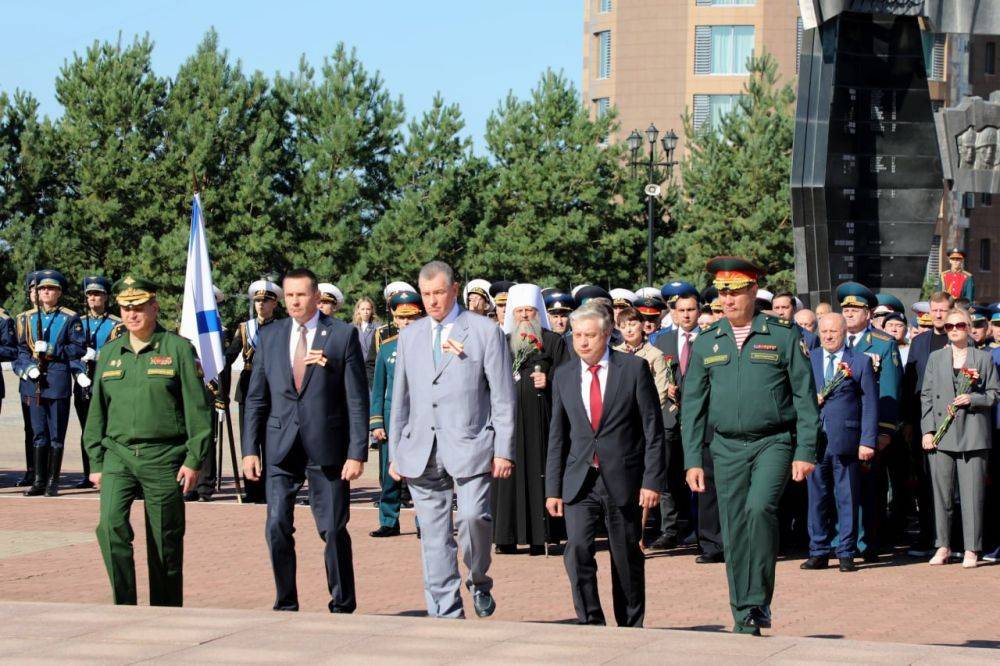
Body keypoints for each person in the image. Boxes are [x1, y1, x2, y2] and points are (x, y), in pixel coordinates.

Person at [682, 256, 819, 635]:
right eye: (722, 293)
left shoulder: (782, 335)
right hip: (724, 447)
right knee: (734, 528)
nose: (727, 300)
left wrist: (806, 450)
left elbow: (805, 399)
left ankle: (758, 599)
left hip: (772, 442)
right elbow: (693, 405)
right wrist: (692, 458)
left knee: (759, 510)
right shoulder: (708, 340)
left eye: (736, 292)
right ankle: (743, 614)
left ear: (753, 292)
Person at [388, 261, 515, 619]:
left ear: (454, 290)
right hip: (421, 450)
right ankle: (446, 615)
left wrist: (504, 450)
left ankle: (478, 578)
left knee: (474, 518)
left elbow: (503, 396)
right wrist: (395, 452)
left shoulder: (483, 331)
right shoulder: (411, 336)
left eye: (439, 293)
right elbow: (401, 399)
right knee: (433, 537)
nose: (432, 301)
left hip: (470, 445)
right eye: (426, 294)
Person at [242, 268, 369, 613]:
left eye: (301, 295)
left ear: (315, 296)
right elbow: (256, 398)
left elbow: (357, 399)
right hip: (281, 446)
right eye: (289, 295)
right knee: (277, 524)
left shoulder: (342, 335)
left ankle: (342, 602)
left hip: (326, 447)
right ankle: (286, 601)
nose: (294, 301)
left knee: (331, 528)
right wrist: (249, 449)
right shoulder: (271, 335)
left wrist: (356, 453)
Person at [83, 276, 213, 606]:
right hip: (118, 454)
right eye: (126, 308)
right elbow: (96, 412)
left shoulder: (178, 349)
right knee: (110, 527)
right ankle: (124, 604)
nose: (132, 314)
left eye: (139, 307)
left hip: (164, 455)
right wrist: (96, 462)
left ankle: (165, 609)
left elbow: (198, 410)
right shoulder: (111, 352)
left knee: (164, 538)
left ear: (154, 307)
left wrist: (194, 459)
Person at [545, 300, 665, 627]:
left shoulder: (633, 370)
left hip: (622, 479)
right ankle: (591, 622)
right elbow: (557, 434)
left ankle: (630, 625)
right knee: (578, 552)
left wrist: (652, 481)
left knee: (625, 557)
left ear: (608, 333)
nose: (582, 342)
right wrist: (552, 489)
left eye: (590, 335)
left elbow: (653, 431)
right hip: (579, 480)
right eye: (577, 335)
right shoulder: (564, 375)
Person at [494, 284, 570, 555]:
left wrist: (549, 381)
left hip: (542, 421)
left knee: (542, 474)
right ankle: (507, 536)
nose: (525, 316)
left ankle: (544, 535)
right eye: (520, 311)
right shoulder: (501, 343)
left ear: (538, 313)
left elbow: (569, 377)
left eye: (529, 310)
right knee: (508, 474)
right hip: (509, 422)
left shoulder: (553, 342)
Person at [920, 308, 999, 568]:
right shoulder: (935, 358)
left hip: (973, 434)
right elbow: (927, 396)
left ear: (969, 328)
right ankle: (942, 545)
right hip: (942, 436)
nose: (954, 330)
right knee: (942, 495)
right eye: (950, 326)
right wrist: (928, 431)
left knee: (972, 494)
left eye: (960, 326)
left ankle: (971, 549)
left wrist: (972, 398)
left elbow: (993, 394)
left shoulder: (983, 358)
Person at [801, 313, 877, 572]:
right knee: (817, 498)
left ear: (844, 332)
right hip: (815, 441)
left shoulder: (860, 362)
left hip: (846, 440)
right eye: (824, 332)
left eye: (833, 331)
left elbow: (869, 405)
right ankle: (818, 550)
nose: (828, 336)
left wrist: (867, 441)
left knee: (847, 498)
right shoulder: (809, 361)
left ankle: (846, 551)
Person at [837, 281, 902, 561]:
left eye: (855, 309)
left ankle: (867, 542)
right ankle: (841, 541)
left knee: (868, 489)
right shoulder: (832, 339)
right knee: (839, 485)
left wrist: (885, 431)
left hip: (867, 426)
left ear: (869, 313)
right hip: (839, 426)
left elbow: (889, 390)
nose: (849, 314)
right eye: (846, 309)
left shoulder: (882, 343)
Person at [13, 269, 86, 496]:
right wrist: (28, 367)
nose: (46, 292)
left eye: (51, 288)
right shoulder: (26, 318)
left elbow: (78, 348)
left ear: (59, 292)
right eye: (43, 288)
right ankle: (38, 480)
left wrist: (54, 349)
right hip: (34, 384)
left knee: (56, 433)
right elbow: (21, 350)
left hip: (57, 381)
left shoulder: (69, 318)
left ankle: (53, 481)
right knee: (38, 433)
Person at [901, 291, 954, 557]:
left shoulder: (956, 337)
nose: (939, 314)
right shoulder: (920, 342)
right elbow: (911, 382)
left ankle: (950, 538)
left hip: (951, 418)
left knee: (949, 482)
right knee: (924, 480)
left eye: (943, 310)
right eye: (935, 310)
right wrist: (909, 422)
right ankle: (927, 535)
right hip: (923, 419)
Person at [369, 290, 424, 538]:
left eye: (411, 318)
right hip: (392, 421)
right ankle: (389, 520)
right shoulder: (387, 348)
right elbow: (378, 389)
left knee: (422, 475)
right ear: (394, 319)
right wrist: (376, 422)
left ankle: (425, 521)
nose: (406, 323)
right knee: (388, 474)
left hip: (421, 419)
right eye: (402, 318)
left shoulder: (429, 347)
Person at [650, 285, 701, 551]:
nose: (686, 315)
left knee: (697, 472)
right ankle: (669, 529)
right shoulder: (662, 341)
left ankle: (699, 527)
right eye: (680, 310)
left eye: (691, 309)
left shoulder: (708, 338)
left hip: (699, 418)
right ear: (673, 312)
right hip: (669, 416)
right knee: (668, 474)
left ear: (698, 310)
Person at [225, 279, 283, 503]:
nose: (260, 305)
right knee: (249, 439)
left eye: (265, 301)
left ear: (274, 304)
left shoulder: (281, 328)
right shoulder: (244, 328)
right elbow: (229, 356)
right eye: (257, 301)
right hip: (248, 387)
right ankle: (253, 488)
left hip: (272, 388)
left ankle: (270, 487)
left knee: (270, 441)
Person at [71, 276, 121, 490]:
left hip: (107, 383)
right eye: (90, 294)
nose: (93, 298)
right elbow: (71, 351)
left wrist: (99, 355)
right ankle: (88, 472)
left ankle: (109, 471)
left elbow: (120, 351)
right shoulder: (78, 322)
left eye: (97, 294)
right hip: (84, 382)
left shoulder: (116, 324)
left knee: (109, 430)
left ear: (106, 297)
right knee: (88, 430)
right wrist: (80, 371)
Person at [353, 296, 380, 369]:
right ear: (358, 310)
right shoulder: (351, 328)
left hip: (373, 368)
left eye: (368, 309)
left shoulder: (378, 328)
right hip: (356, 367)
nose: (365, 312)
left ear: (372, 310)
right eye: (363, 309)